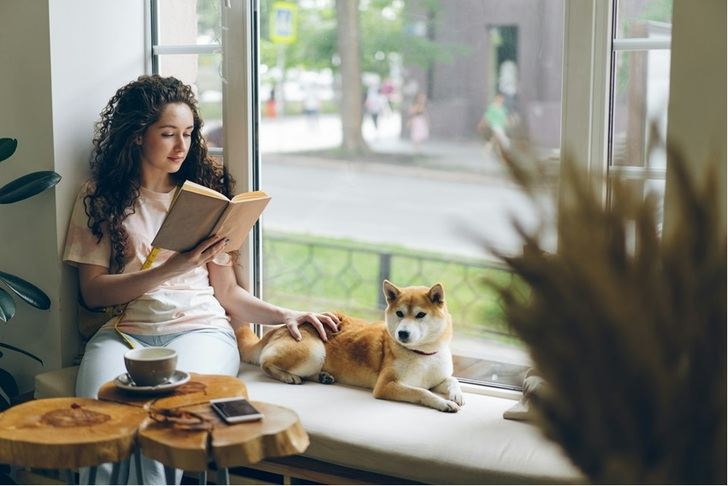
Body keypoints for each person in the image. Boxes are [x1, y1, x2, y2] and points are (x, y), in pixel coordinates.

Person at [63, 75, 339, 483]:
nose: (181, 146)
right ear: (138, 136)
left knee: (169, 423)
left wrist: (286, 314)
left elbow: (227, 293)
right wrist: (169, 269)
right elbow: (92, 292)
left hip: (201, 331)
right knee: (99, 423)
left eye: (189, 134)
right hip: (126, 332)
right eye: (168, 134)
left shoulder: (203, 196)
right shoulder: (101, 197)